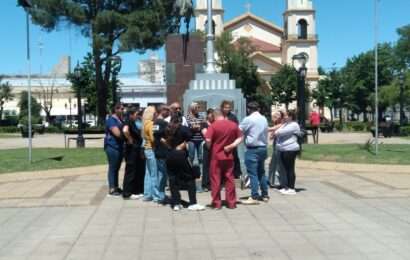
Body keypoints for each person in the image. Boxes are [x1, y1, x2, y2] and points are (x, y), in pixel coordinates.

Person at [165, 114, 205, 211]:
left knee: (173, 180)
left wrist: (171, 147)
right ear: (180, 120)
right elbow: (189, 138)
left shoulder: (167, 128)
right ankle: (192, 203)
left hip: (169, 155)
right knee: (190, 179)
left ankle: (176, 203)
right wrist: (181, 146)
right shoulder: (183, 128)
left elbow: (163, 140)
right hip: (180, 155)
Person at [205, 109, 243, 209]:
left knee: (215, 179)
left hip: (216, 156)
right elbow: (240, 137)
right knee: (229, 179)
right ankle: (231, 203)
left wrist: (209, 147)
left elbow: (208, 140)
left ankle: (217, 203)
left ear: (214, 116)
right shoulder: (233, 125)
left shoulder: (213, 126)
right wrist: (231, 146)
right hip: (228, 155)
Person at [239, 101, 269, 204]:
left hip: (252, 149)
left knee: (252, 174)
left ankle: (254, 196)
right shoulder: (264, 118)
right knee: (262, 172)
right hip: (263, 148)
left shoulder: (248, 119)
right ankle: (265, 195)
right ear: (258, 109)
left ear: (248, 109)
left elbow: (238, 130)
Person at [272, 110, 301, 195]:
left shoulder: (294, 125)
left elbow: (279, 132)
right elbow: (277, 131)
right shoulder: (285, 124)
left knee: (290, 168)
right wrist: (276, 132)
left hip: (290, 149)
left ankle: (292, 188)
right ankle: (287, 187)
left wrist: (276, 133)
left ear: (291, 117)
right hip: (283, 149)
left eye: (286, 116)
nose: (284, 117)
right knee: (285, 169)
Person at [122, 106, 145, 199]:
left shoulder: (132, 121)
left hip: (135, 149)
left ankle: (135, 190)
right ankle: (127, 193)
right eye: (136, 114)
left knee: (136, 170)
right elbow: (125, 131)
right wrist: (130, 139)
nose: (137, 116)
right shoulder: (128, 121)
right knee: (130, 170)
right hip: (131, 149)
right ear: (131, 115)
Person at [104, 103, 125, 197]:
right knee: (113, 168)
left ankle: (116, 187)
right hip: (112, 147)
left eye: (123, 108)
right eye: (121, 108)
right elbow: (117, 133)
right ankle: (112, 189)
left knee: (117, 168)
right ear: (115, 109)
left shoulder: (120, 119)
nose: (123, 110)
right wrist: (126, 136)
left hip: (119, 146)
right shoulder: (111, 120)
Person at [142, 106, 161, 202]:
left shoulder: (145, 123)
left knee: (148, 173)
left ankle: (147, 194)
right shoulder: (151, 124)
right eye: (155, 113)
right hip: (151, 149)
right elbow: (153, 138)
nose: (156, 114)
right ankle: (156, 196)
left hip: (147, 149)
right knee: (154, 174)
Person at [153, 104, 170, 203]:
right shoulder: (161, 123)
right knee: (163, 175)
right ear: (162, 110)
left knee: (160, 174)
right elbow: (158, 136)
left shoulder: (156, 122)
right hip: (162, 151)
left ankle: (159, 195)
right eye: (167, 110)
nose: (168, 112)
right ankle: (161, 196)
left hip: (158, 150)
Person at [220, 100, 242, 178]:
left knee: (235, 156)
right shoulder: (220, 117)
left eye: (228, 108)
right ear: (222, 108)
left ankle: (237, 173)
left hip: (232, 140)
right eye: (226, 107)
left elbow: (237, 127)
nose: (227, 109)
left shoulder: (233, 117)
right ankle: (223, 174)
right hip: (222, 141)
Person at [268, 110, 286, 188]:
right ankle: (271, 181)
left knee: (278, 165)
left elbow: (270, 129)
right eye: (274, 115)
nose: (275, 117)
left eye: (277, 115)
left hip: (280, 147)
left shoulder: (282, 124)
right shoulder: (278, 124)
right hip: (277, 146)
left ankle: (281, 182)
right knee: (273, 164)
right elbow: (272, 135)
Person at [201, 108, 215, 191]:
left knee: (213, 166)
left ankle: (212, 184)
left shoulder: (215, 123)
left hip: (215, 146)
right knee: (206, 165)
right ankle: (205, 184)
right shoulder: (204, 124)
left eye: (213, 114)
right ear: (207, 114)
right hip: (207, 146)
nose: (212, 116)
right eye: (210, 114)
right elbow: (206, 134)